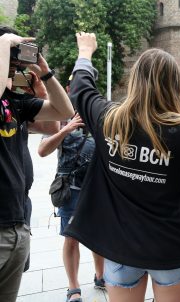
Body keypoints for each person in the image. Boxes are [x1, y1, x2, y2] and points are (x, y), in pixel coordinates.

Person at [65, 32, 180, 302]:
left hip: (120, 247)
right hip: (171, 247)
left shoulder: (108, 119)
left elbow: (80, 88)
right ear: (172, 84)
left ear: (135, 79)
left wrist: (85, 52)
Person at [0, 26, 74, 302]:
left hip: (17, 225)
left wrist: (44, 71)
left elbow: (63, 112)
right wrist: (5, 43)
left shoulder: (15, 101)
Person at [38, 76, 105, 302]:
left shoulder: (99, 112)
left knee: (99, 236)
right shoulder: (58, 112)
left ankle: (101, 276)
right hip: (71, 188)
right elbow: (42, 150)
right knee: (71, 238)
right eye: (73, 85)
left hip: (96, 188)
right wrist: (66, 129)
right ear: (68, 88)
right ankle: (73, 286)